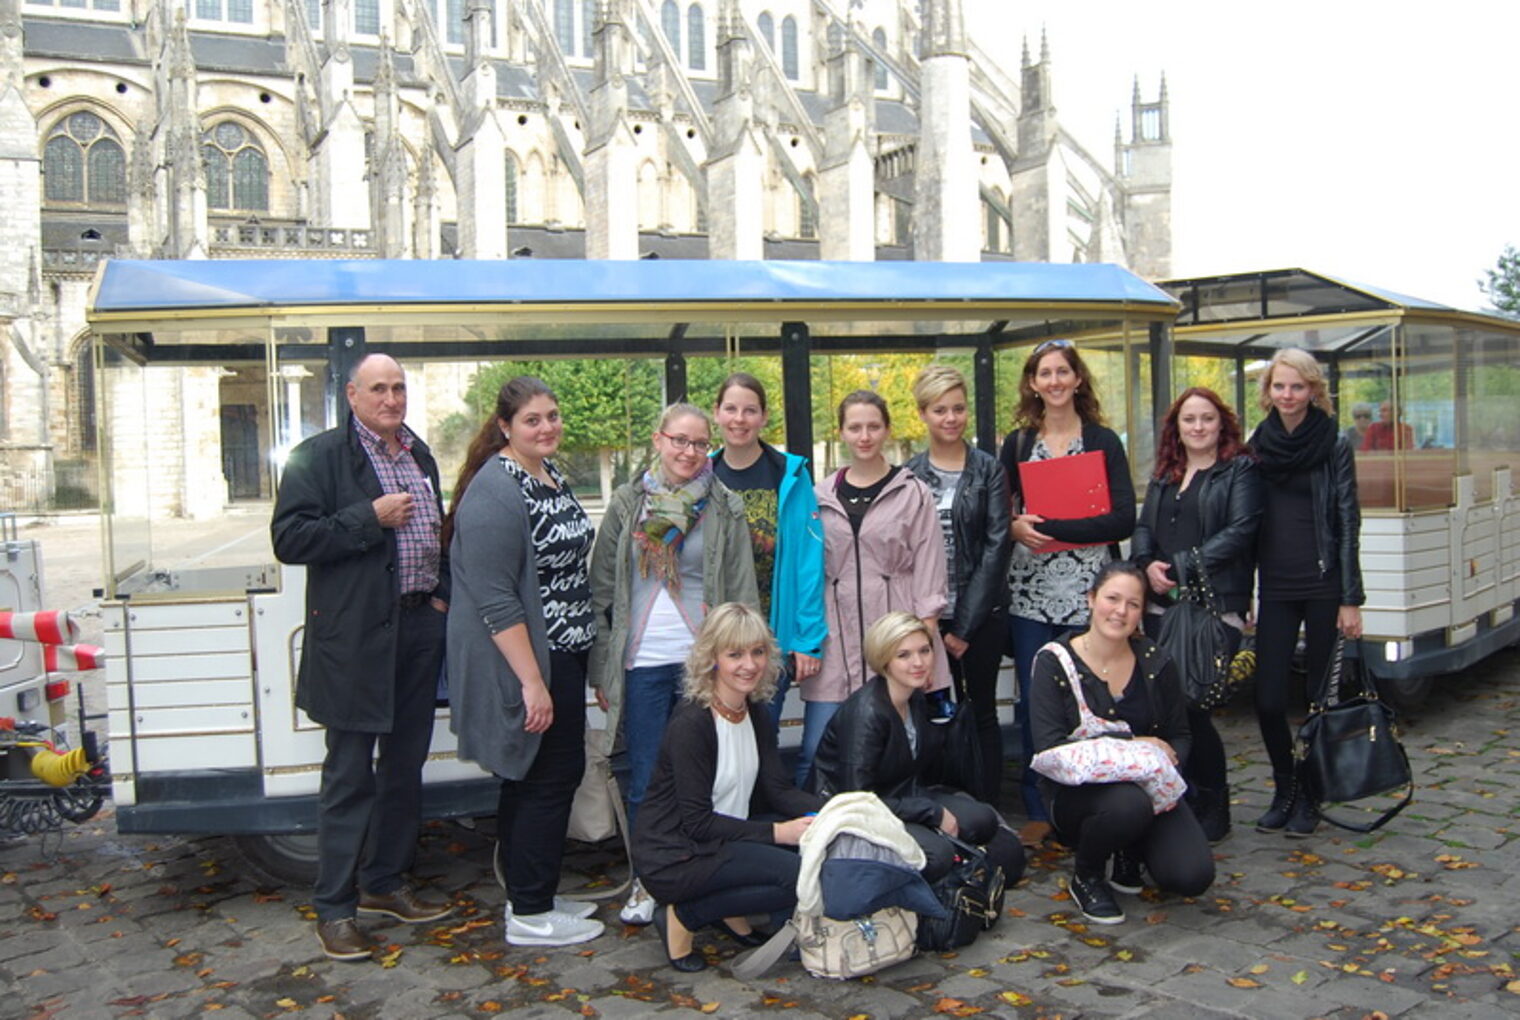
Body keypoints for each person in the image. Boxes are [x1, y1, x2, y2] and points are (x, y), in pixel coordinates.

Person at [271, 353, 453, 962]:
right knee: (348, 777)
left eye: (399, 388)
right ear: (352, 394)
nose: (392, 399)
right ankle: (335, 909)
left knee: (404, 768)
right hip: (353, 643)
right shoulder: (318, 457)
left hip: (417, 628)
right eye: (379, 388)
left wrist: (442, 598)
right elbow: (290, 539)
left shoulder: (418, 453)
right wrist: (366, 518)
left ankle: (385, 883)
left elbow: (437, 533)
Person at [443, 377, 604, 948]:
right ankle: (531, 915)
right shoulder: (495, 488)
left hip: (565, 650)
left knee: (534, 777)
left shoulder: (547, 472)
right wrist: (532, 683)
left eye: (553, 416)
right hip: (533, 658)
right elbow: (494, 598)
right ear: (506, 426)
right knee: (546, 777)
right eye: (533, 419)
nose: (547, 427)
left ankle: (529, 892)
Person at [588, 403, 759, 926]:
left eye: (698, 444)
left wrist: (744, 662)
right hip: (640, 664)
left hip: (701, 667)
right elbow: (601, 590)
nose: (689, 452)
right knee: (644, 780)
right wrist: (602, 670)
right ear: (659, 440)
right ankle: (649, 878)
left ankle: (705, 871)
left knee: (707, 778)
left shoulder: (724, 506)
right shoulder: (626, 503)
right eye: (679, 441)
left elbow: (742, 588)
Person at [633, 603, 823, 972]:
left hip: (722, 839)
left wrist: (837, 808)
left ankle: (727, 911)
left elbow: (779, 791)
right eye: (734, 654)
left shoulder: (755, 712)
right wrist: (779, 833)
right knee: (799, 876)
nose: (749, 665)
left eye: (757, 652)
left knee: (815, 858)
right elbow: (697, 823)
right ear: (712, 659)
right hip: (675, 854)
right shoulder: (692, 723)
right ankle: (685, 914)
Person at [998, 339, 1136, 847]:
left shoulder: (1103, 441)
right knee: (1035, 701)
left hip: (1088, 593)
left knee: (1091, 697)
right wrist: (1014, 528)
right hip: (1029, 592)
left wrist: (1055, 527)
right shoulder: (1016, 444)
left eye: (1063, 372)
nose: (1054, 381)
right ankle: (1040, 806)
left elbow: (1124, 517)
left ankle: (1091, 799)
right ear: (1033, 383)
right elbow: (1000, 512)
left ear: (1078, 379)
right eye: (1044, 373)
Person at [1029, 561, 1214, 925]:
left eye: (1133, 604)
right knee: (1127, 806)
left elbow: (1179, 734)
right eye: (1112, 598)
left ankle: (1131, 847)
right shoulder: (1054, 662)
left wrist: (1165, 767)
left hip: (1147, 785)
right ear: (1091, 599)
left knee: (1191, 877)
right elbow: (1048, 745)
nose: (1121, 611)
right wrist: (1135, 742)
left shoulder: (1156, 662)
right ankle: (1088, 876)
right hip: (1076, 792)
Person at [1131, 387, 1262, 843]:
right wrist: (1147, 565)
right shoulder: (1167, 472)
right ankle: (1177, 800)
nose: (1199, 427)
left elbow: (1242, 530)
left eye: (1207, 418)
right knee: (1164, 709)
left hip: (1213, 606)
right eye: (1190, 420)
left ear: (1221, 423)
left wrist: (1184, 565)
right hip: (1159, 607)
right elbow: (1145, 525)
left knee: (1193, 706)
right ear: (1177, 427)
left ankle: (1214, 801)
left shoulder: (1239, 469)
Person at [811, 612, 1024, 885]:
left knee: (983, 819)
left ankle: (959, 869)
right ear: (884, 659)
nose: (918, 663)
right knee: (937, 855)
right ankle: (950, 873)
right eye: (904, 655)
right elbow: (858, 798)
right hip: (857, 811)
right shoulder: (867, 713)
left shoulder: (915, 698)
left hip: (902, 796)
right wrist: (931, 813)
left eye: (924, 651)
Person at [804, 390, 951, 787]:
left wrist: (926, 642)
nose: (864, 435)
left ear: (886, 429)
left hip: (897, 635)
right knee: (817, 752)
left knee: (898, 753)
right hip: (837, 637)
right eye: (855, 427)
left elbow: (930, 567)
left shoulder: (912, 492)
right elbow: (807, 573)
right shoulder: (818, 496)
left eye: (873, 426)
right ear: (842, 433)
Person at [1248, 348, 1364, 837]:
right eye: (1280, 386)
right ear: (1268, 391)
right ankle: (1284, 786)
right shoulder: (1258, 442)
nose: (1288, 395)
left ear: (1314, 390)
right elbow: (1248, 517)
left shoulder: (1334, 442)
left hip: (1322, 584)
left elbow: (1346, 517)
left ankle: (1311, 795)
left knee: (1319, 699)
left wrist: (1350, 597)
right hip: (1275, 584)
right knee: (1269, 698)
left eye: (1298, 387)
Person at [903, 364, 1012, 802]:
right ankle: (941, 803)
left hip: (980, 615)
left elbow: (997, 546)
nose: (950, 418)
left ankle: (987, 805)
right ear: (924, 415)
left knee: (981, 710)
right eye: (939, 410)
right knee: (929, 712)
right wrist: (930, 624)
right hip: (925, 619)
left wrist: (964, 627)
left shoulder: (989, 470)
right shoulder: (909, 474)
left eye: (958, 409)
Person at [710, 373, 827, 742]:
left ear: (763, 417)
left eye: (750, 410)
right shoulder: (703, 475)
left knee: (762, 737)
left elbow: (809, 562)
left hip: (771, 639)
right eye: (731, 409)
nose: (739, 419)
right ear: (716, 413)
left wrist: (806, 639)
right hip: (717, 638)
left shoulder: (789, 475)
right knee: (717, 740)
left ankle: (762, 803)